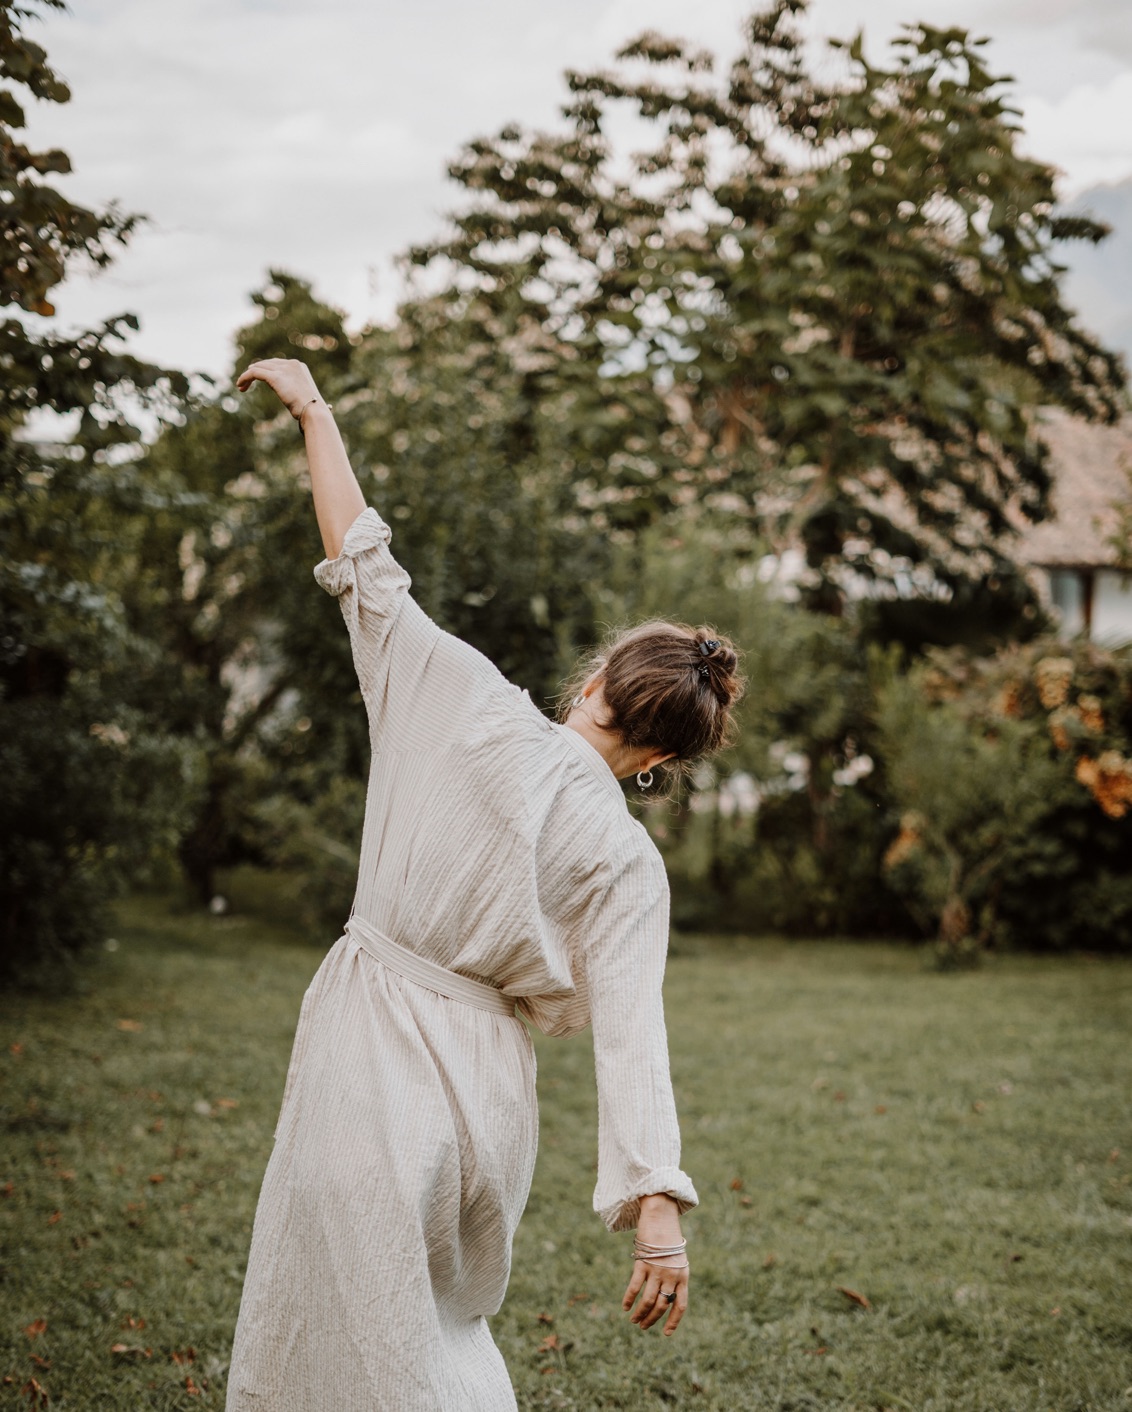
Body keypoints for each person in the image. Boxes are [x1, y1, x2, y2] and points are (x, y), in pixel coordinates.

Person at [225, 358, 743, 1411]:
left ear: (593, 682)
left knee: (340, 1316)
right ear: (658, 760)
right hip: (490, 1093)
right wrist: (655, 1209)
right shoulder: (629, 860)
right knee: (435, 1330)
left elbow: (362, 560)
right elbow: (632, 1036)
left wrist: (314, 410)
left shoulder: (456, 691)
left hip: (375, 1039)